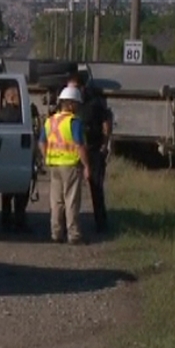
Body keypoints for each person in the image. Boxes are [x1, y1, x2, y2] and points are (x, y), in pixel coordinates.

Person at [39, 86, 90, 245]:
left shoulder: (50, 121)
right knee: (71, 200)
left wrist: (47, 156)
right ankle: (73, 235)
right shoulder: (74, 121)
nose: (78, 108)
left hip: (54, 165)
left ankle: (56, 233)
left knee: (56, 201)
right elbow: (79, 145)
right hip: (70, 165)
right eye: (76, 104)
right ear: (71, 104)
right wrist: (87, 165)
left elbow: (41, 142)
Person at [67, 75, 112, 233]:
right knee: (71, 191)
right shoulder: (69, 107)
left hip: (93, 150)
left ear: (81, 88)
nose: (71, 92)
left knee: (96, 188)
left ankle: (101, 224)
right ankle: (71, 224)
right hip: (74, 152)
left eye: (74, 88)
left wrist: (105, 146)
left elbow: (106, 123)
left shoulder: (94, 105)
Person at [0, 85, 31, 233]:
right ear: (12, 98)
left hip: (5, 158)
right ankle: (20, 222)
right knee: (21, 194)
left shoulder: (0, 116)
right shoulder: (22, 115)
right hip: (20, 157)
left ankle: (6, 221)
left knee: (6, 194)